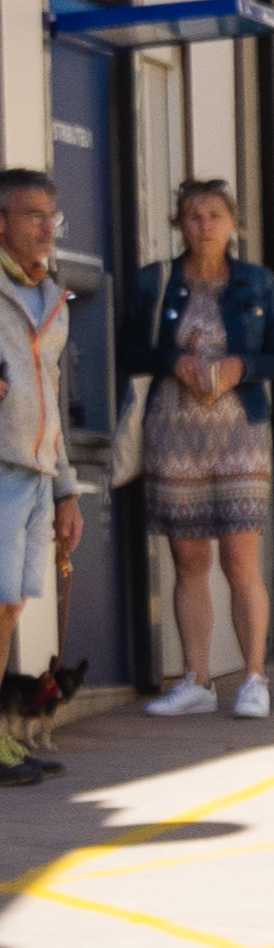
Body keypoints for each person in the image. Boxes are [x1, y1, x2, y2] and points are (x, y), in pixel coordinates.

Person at [137, 181, 274, 722]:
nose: (204, 225)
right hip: (174, 432)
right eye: (193, 216)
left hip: (239, 432)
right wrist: (170, 361)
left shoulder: (257, 282)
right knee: (188, 559)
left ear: (233, 223)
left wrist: (240, 367)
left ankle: (253, 677)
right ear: (180, 224)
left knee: (240, 559)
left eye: (215, 215)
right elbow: (128, 347)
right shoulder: (156, 281)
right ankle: (196, 680)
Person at [0, 167, 72, 785]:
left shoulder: (53, 297)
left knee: (8, 609)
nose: (48, 227)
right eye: (33, 215)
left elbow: (50, 391)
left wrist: (67, 486)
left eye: (53, 216)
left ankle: (0, 740)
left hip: (35, 473)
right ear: (0, 222)